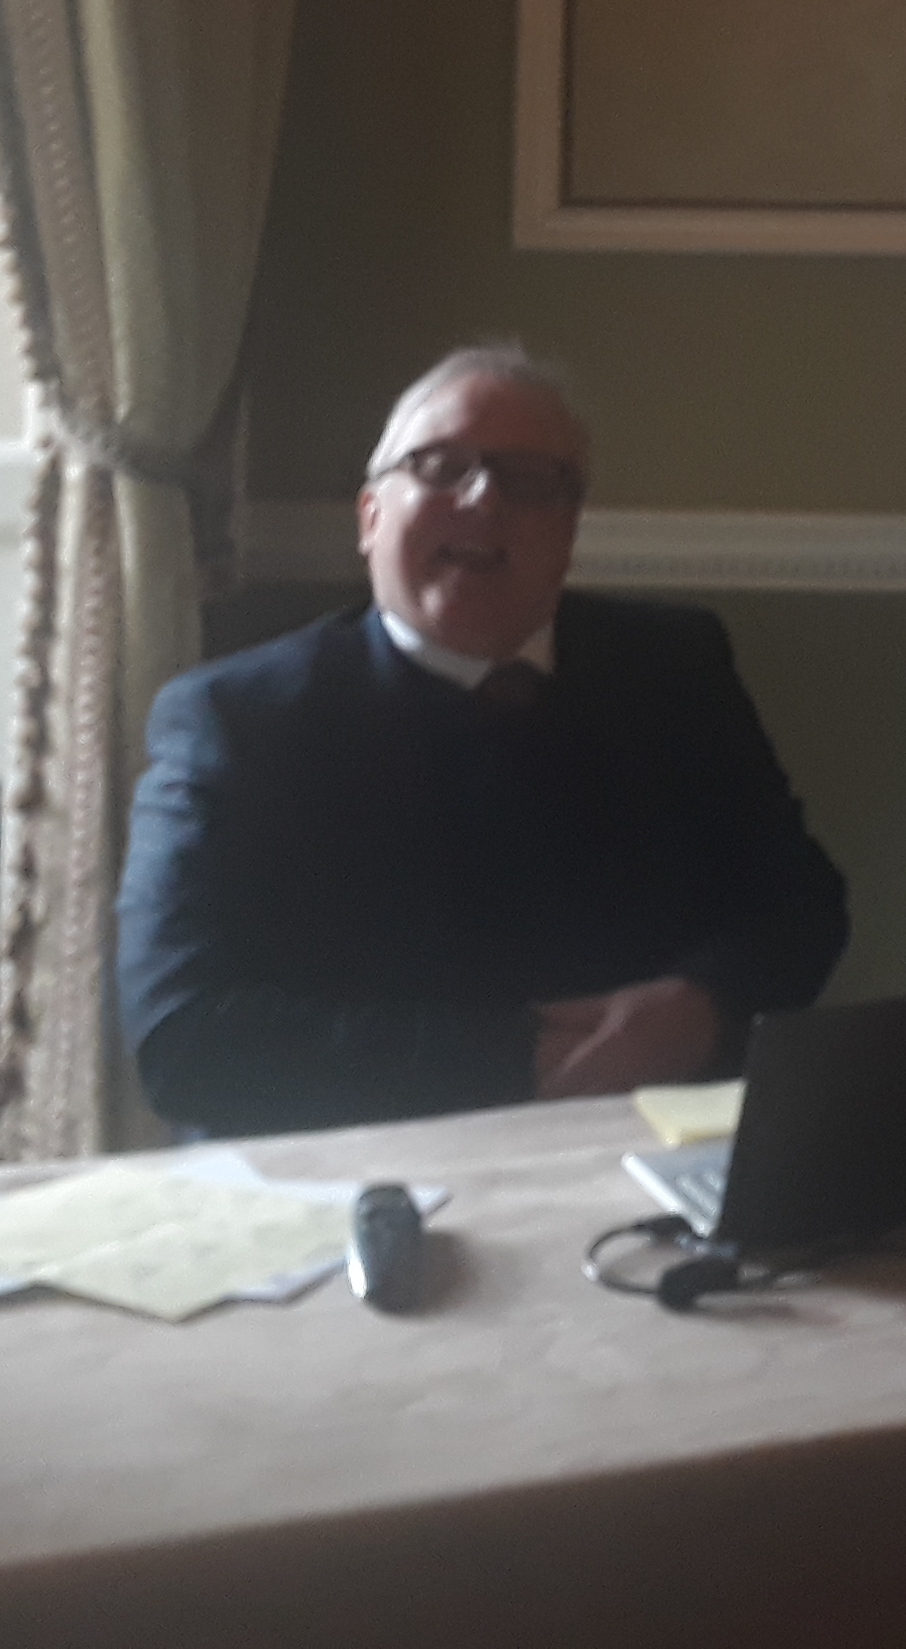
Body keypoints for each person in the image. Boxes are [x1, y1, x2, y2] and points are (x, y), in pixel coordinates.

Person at [115, 345, 849, 1137]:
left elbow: (799, 904)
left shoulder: (676, 664)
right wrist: (523, 1060)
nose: (483, 498)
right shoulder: (234, 720)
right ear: (370, 517)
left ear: (570, 528)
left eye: (529, 481)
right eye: (439, 467)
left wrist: (702, 1007)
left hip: (650, 1144)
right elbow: (183, 1037)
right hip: (361, 1164)